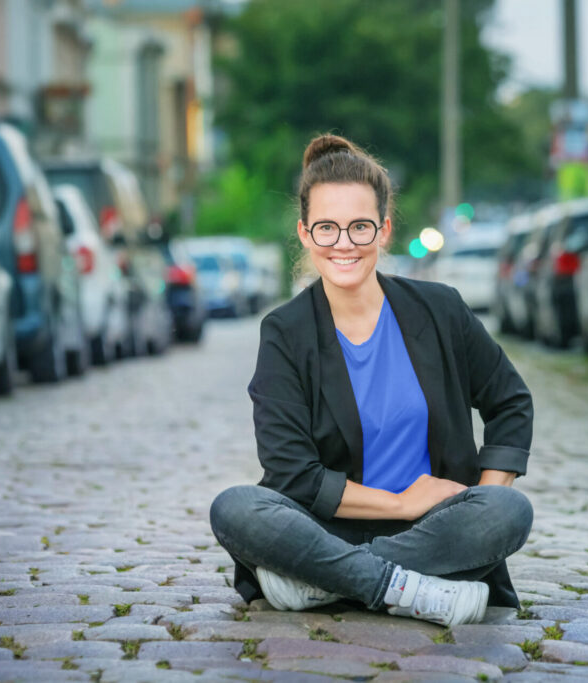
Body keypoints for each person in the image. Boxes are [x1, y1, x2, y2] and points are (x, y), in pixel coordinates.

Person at [209, 134, 534, 627]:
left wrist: (472, 499)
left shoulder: (440, 309)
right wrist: (401, 502)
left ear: (383, 231)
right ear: (304, 233)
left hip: (432, 532)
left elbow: (510, 402)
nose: (344, 244)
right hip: (323, 532)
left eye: (359, 227)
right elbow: (292, 472)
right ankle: (407, 589)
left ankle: (323, 585)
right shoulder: (285, 333)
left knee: (507, 510)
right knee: (235, 507)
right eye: (327, 228)